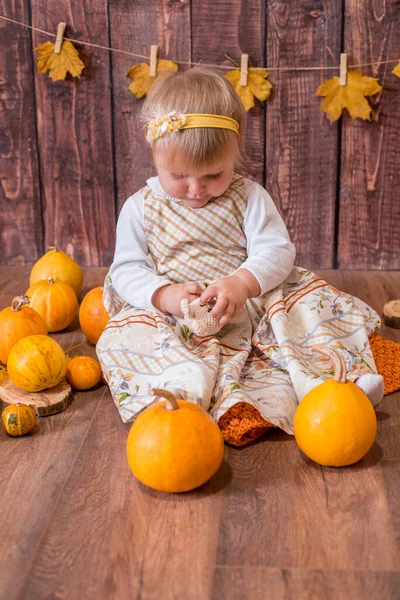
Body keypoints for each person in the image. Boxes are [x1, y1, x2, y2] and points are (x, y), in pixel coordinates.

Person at [96, 66, 384, 445]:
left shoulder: (248, 196)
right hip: (174, 316)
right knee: (128, 335)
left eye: (213, 175)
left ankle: (333, 383)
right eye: (179, 175)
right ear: (155, 154)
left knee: (304, 308)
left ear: (234, 152)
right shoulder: (140, 207)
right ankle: (179, 395)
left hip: (251, 302)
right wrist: (164, 295)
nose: (196, 190)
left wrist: (242, 283)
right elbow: (127, 270)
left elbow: (276, 250)